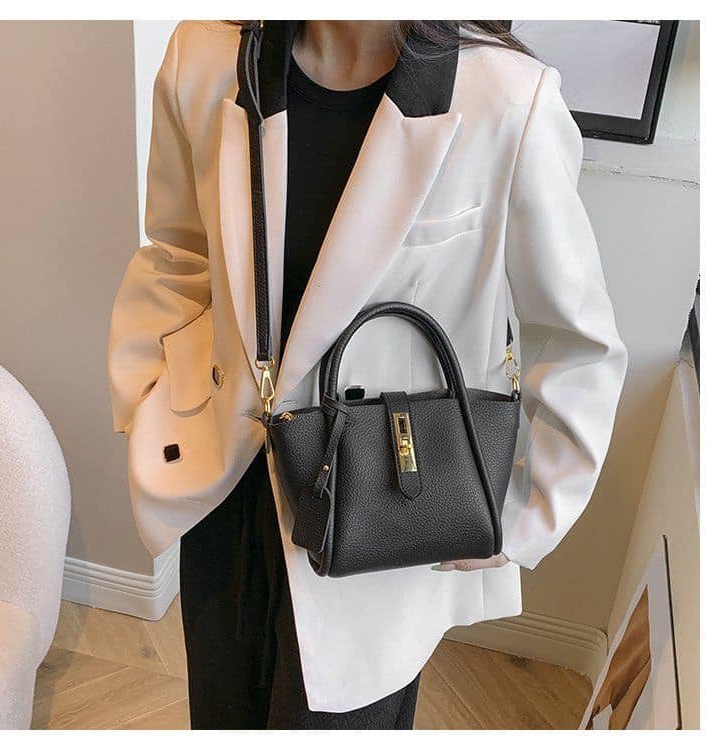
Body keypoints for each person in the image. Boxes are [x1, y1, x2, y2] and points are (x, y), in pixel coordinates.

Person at [108, 20, 628, 730]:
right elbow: (177, 255)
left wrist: (522, 515)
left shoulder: (509, 100)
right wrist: (147, 397)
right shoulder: (204, 59)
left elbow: (579, 340)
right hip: (225, 491)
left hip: (386, 512)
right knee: (220, 716)